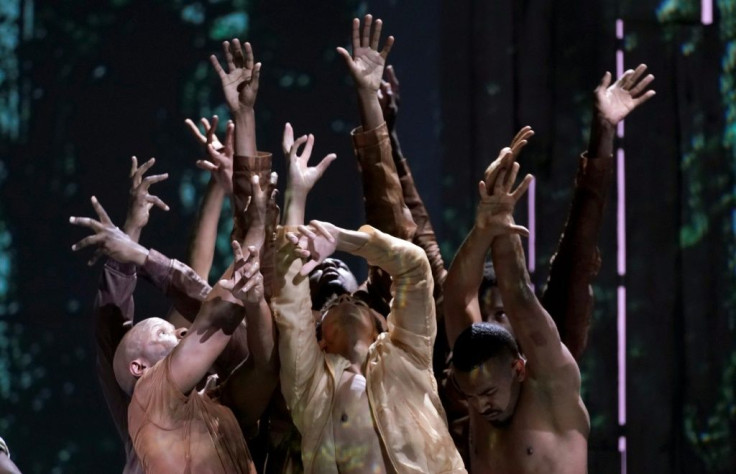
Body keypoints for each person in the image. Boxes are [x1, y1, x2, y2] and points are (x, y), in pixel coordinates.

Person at [70, 176, 274, 472]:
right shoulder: (150, 398)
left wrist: (255, 302)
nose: (180, 329)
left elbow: (265, 367)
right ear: (140, 368)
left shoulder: (214, 404)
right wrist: (256, 230)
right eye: (163, 332)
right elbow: (214, 316)